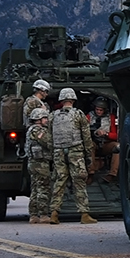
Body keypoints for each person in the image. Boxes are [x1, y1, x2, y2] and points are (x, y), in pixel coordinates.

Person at [48, 87, 97, 224]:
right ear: (73, 100)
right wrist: (88, 154)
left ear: (61, 100)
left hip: (58, 151)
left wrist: (53, 152)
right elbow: (86, 136)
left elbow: (49, 136)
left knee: (59, 181)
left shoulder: (53, 115)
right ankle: (84, 214)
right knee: (79, 182)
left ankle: (54, 213)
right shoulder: (78, 114)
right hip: (75, 151)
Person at [23, 79, 54, 224]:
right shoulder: (37, 129)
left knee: (35, 188)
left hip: (34, 162)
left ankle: (33, 215)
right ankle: (42, 215)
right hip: (40, 162)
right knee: (43, 188)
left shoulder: (33, 130)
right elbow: (48, 142)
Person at [89, 98, 119, 182]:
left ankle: (112, 174)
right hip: (94, 143)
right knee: (89, 145)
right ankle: (90, 173)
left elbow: (116, 135)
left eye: (100, 110)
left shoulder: (111, 118)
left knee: (118, 147)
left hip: (106, 143)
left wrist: (106, 134)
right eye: (97, 109)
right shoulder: (89, 116)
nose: (98, 111)